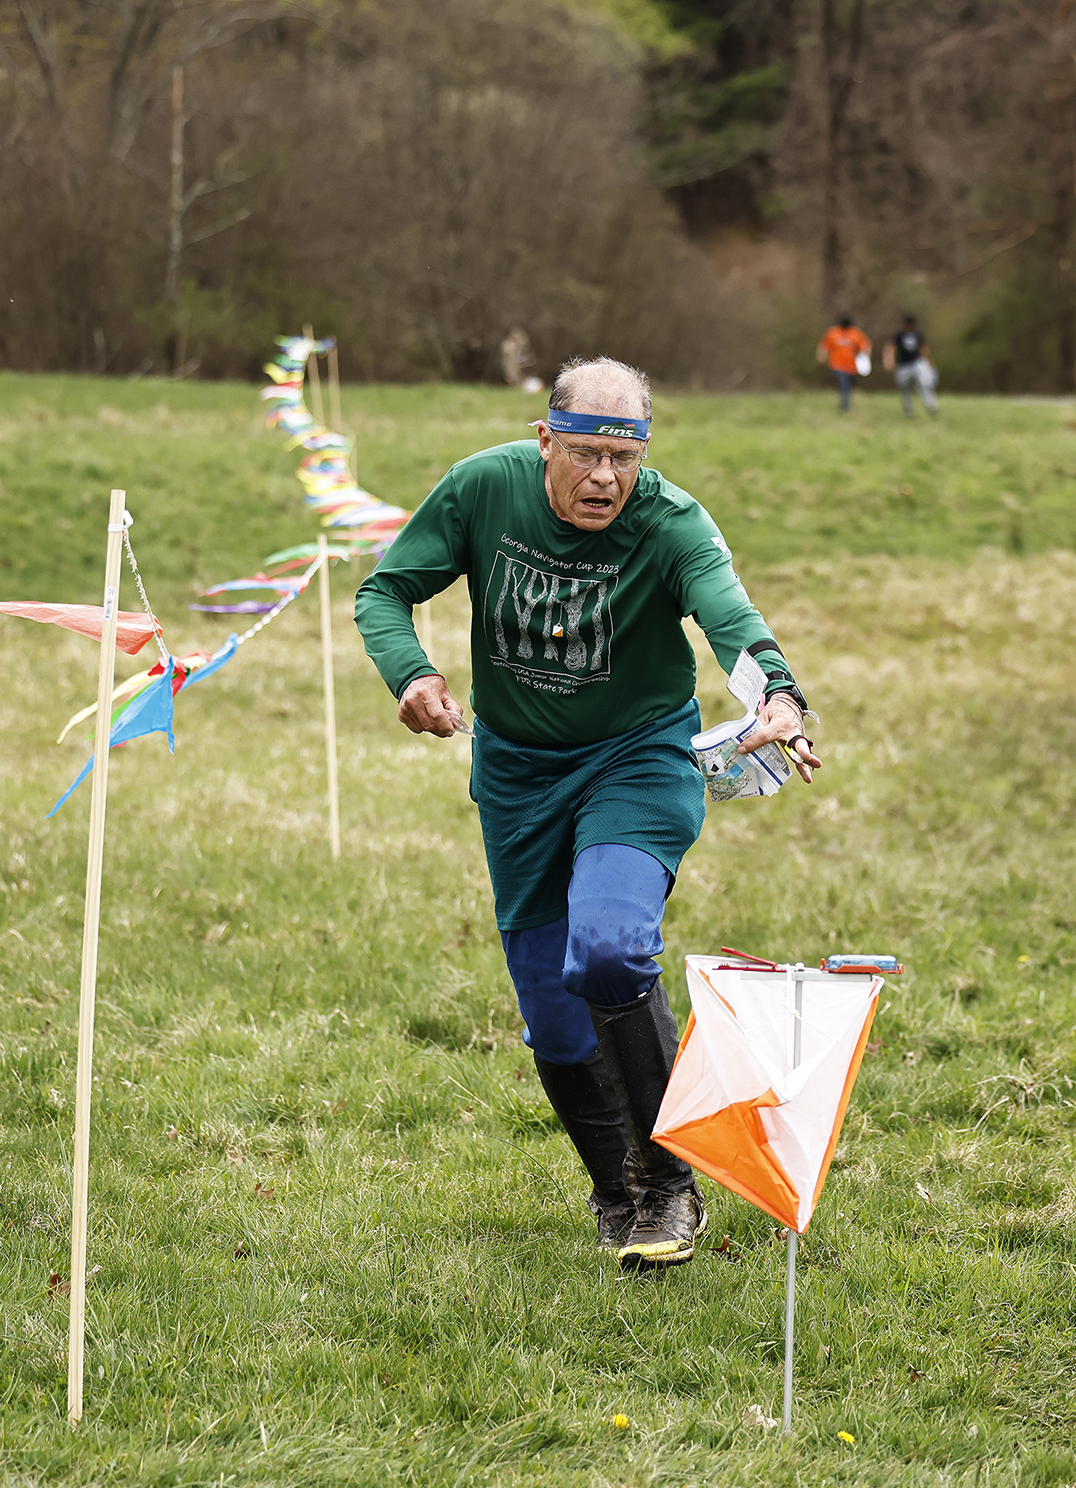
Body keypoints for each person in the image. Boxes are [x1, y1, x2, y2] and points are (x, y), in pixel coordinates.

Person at [351, 356, 822, 1270]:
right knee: (554, 1019)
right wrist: (411, 673)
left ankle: (673, 1183)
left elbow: (730, 612)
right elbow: (385, 591)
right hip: (520, 777)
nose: (606, 477)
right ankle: (618, 1188)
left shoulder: (671, 521)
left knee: (607, 946)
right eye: (586, 454)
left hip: (636, 761)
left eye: (624, 457)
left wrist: (780, 697)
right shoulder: (483, 489)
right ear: (544, 442)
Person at [882, 314, 937, 419]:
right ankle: (908, 411)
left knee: (924, 383)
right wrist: (889, 361)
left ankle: (931, 405)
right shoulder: (899, 335)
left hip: (917, 363)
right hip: (903, 365)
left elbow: (923, 350)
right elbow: (891, 348)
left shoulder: (918, 335)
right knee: (904, 388)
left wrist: (930, 364)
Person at [816, 315, 871, 412]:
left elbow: (865, 346)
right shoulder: (833, 333)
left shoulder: (855, 333)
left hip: (852, 366)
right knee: (843, 384)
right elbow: (824, 346)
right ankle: (845, 406)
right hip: (838, 365)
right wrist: (821, 357)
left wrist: (865, 358)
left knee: (849, 385)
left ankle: (846, 402)